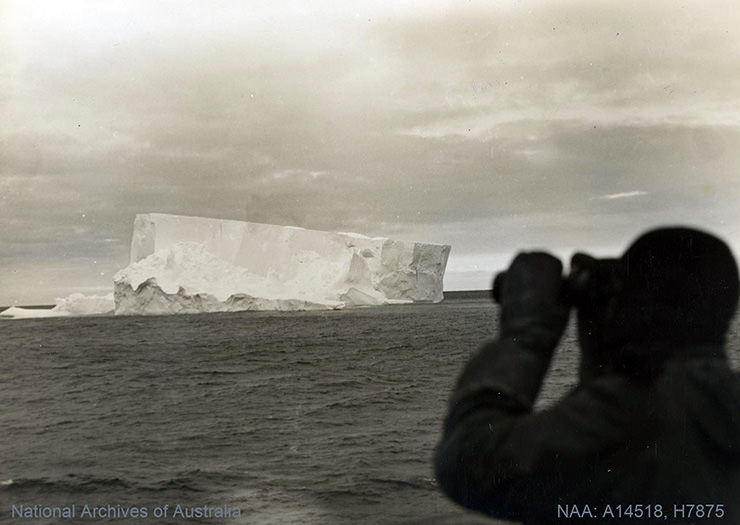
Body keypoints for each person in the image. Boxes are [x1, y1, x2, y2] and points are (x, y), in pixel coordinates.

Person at [434, 227, 740, 524]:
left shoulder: (625, 414)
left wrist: (527, 334)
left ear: (632, 302)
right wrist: (605, 352)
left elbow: (469, 461)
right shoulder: (720, 403)